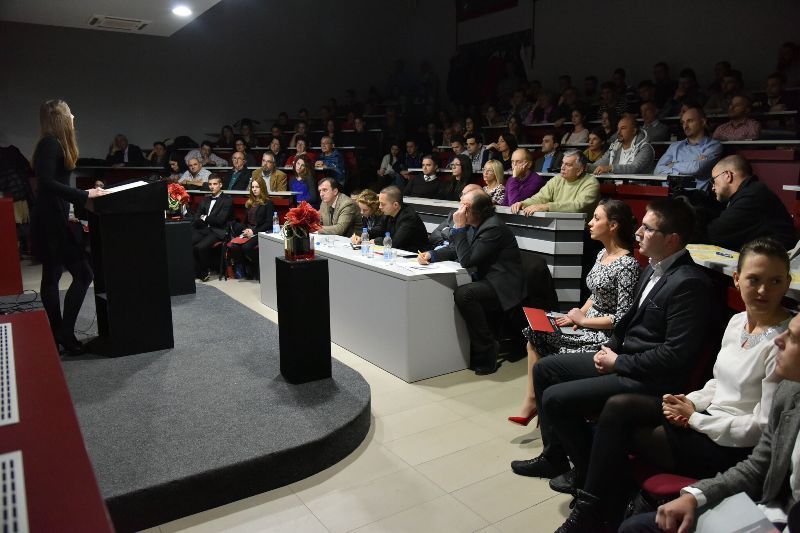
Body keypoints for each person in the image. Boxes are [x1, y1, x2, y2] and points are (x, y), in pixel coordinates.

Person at [565, 238, 792, 532]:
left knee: (622, 433)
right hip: (708, 418)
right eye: (754, 279)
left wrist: (694, 418)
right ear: (737, 279)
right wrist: (689, 401)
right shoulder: (737, 321)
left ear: (787, 283)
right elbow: (718, 383)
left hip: (733, 445)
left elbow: (762, 428)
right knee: (620, 406)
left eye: (775, 281)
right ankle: (600, 507)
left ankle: (599, 510)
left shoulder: (785, 343)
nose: (763, 290)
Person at [509, 199, 712, 502]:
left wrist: (618, 362)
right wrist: (609, 348)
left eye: (648, 228)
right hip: (623, 357)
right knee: (544, 369)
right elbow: (627, 322)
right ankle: (554, 457)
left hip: (648, 377)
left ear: (671, 240)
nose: (639, 232)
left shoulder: (689, 283)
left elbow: (675, 355)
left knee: (555, 398)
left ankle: (588, 472)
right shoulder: (654, 267)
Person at [510, 199, 640, 426]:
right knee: (535, 331)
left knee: (543, 340)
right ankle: (533, 399)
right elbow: (595, 295)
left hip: (603, 335)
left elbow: (621, 318)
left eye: (596, 218)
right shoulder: (602, 254)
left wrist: (584, 321)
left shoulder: (627, 265)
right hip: (586, 322)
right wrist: (577, 314)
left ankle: (540, 402)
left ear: (613, 226)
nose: (590, 223)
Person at [418, 190, 525, 374]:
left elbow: (467, 260)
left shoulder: (493, 228)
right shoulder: (473, 224)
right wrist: (432, 255)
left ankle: (487, 348)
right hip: (485, 277)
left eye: (464, 207)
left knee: (465, 294)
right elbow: (456, 249)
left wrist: (459, 227)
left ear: (477, 210)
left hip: (503, 283)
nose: (459, 211)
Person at [30, 99, 106, 354]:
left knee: (52, 275)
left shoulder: (52, 143)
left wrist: (74, 204)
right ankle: (63, 332)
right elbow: (46, 183)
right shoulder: (50, 144)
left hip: (52, 217)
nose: (73, 116)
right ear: (60, 118)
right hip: (51, 221)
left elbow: (53, 184)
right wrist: (84, 195)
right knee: (83, 274)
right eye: (69, 113)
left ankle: (58, 333)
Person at [705, 155, 795, 250]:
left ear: (728, 175)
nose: (713, 187)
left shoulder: (752, 196)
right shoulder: (751, 190)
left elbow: (714, 234)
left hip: (775, 257)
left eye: (714, 180)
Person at [511, 149, 600, 216]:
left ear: (579, 170)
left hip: (581, 230)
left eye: (568, 165)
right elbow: (540, 197)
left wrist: (547, 207)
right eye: (562, 163)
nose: (562, 167)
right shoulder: (557, 179)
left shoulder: (591, 183)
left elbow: (578, 206)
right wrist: (523, 203)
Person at [655, 106, 723, 191]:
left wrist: (672, 164)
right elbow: (657, 170)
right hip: (670, 194)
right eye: (683, 122)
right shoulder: (674, 146)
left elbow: (696, 168)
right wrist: (690, 165)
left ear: (703, 122)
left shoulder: (713, 145)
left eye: (690, 121)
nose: (685, 126)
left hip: (696, 196)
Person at [227, 176, 274, 279]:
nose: (254, 189)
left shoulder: (268, 203)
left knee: (246, 247)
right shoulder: (250, 202)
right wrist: (245, 230)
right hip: (248, 231)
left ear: (262, 188)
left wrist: (253, 231)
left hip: (260, 231)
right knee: (234, 246)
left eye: (257, 187)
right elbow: (245, 221)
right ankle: (247, 267)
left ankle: (256, 268)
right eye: (252, 187)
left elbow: (268, 223)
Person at [191, 174, 232, 282]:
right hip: (204, 229)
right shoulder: (205, 199)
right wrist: (202, 219)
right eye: (210, 184)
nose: (212, 186)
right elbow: (196, 216)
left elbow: (220, 221)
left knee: (200, 247)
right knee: (188, 242)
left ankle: (204, 272)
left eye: (215, 184)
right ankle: (196, 271)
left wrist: (204, 217)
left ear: (220, 185)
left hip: (218, 231)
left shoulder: (227, 200)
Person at [362, 185, 428, 252]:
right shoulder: (388, 213)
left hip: (416, 254)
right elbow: (379, 230)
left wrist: (376, 241)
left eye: (383, 204)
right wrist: (363, 236)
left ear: (395, 205)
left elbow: (394, 242)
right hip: (398, 252)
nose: (380, 207)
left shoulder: (409, 217)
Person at [588, 115, 656, 174]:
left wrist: (610, 168)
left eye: (623, 128)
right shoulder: (615, 147)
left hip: (638, 185)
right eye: (618, 129)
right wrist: (585, 167)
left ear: (634, 131)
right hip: (614, 184)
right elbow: (598, 165)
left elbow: (634, 168)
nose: (618, 132)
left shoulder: (645, 148)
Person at [428, 184, 483, 249]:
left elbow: (460, 243)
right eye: (461, 194)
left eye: (465, 194)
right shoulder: (454, 213)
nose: (461, 198)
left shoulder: (474, 220)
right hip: (440, 249)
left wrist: (447, 232)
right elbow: (434, 236)